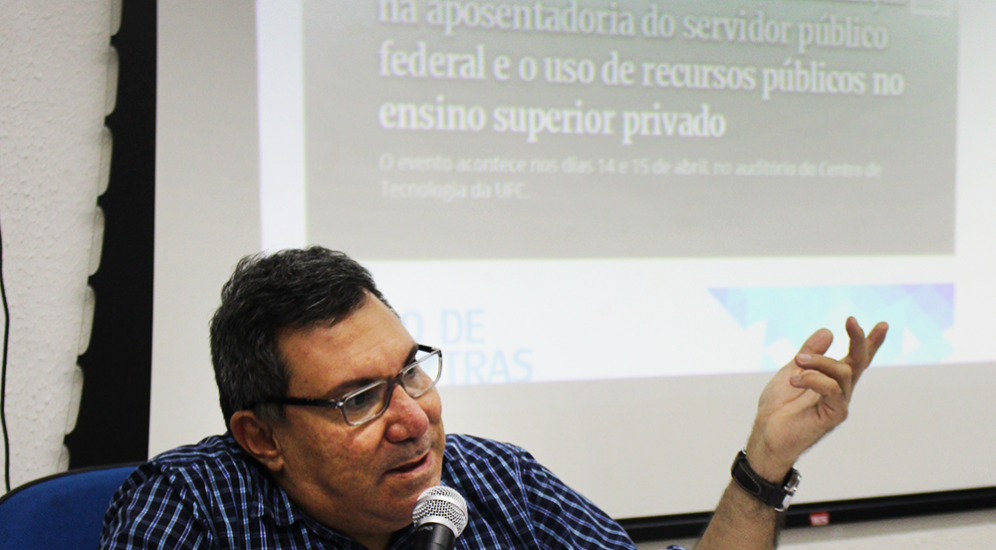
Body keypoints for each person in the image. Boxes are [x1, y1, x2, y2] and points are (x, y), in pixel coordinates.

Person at [100, 247, 887, 550]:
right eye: (358, 400)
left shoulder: (498, 482)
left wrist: (762, 466)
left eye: (411, 372)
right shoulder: (190, 509)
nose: (413, 419)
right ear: (262, 437)